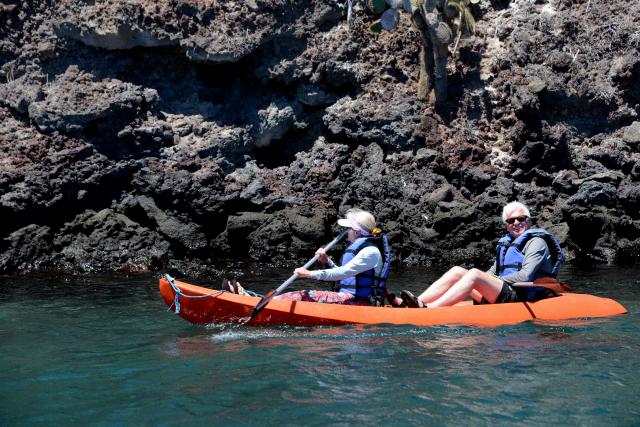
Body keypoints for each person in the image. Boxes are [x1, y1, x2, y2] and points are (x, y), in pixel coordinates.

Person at [400, 201, 564, 308]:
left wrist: (487, 280)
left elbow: (525, 276)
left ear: (528, 220)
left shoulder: (537, 242)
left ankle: (430, 309)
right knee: (458, 271)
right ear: (506, 225)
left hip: (521, 296)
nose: (516, 223)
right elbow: (493, 272)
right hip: (504, 292)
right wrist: (484, 280)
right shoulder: (506, 244)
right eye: (510, 221)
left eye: (520, 219)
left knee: (474, 274)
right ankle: (417, 302)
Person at [226, 208, 392, 305]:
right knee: (301, 295)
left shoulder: (370, 252)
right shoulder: (356, 247)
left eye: (347, 228)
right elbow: (342, 274)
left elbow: (343, 274)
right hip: (347, 297)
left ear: (356, 231)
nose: (343, 232)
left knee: (303, 295)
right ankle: (255, 298)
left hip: (358, 302)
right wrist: (327, 261)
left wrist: (310, 274)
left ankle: (256, 302)